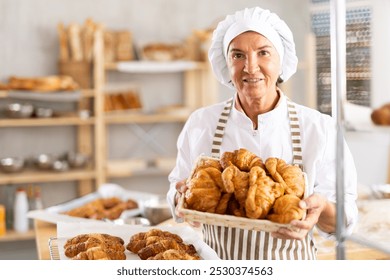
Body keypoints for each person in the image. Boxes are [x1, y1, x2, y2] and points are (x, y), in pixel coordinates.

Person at [167, 6, 358, 260]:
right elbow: (176, 193)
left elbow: (344, 222)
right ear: (226, 64)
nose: (250, 67)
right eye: (238, 55)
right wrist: (180, 197)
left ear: (281, 61)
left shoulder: (319, 128)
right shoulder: (201, 123)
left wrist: (321, 209)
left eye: (263, 53)